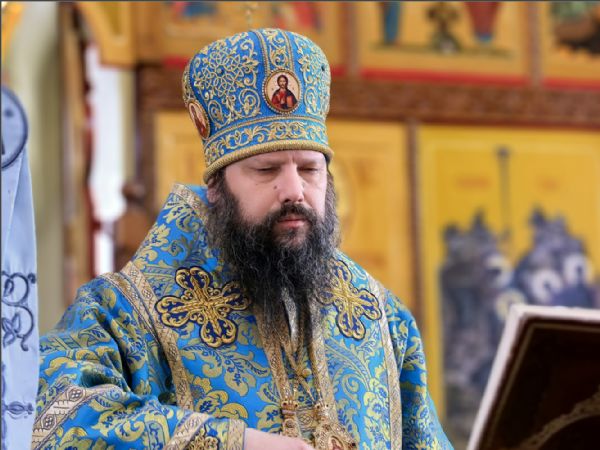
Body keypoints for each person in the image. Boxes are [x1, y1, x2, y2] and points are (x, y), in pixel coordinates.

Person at [33, 28, 452, 450]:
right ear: (217, 188)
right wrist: (238, 443)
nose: (294, 190)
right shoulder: (126, 312)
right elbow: (51, 419)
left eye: (309, 169)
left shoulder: (382, 318)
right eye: (266, 170)